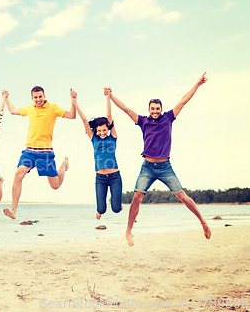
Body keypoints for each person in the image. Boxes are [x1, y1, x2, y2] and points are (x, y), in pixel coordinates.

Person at [108, 72, 211, 246]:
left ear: (160, 109)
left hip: (165, 167)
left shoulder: (169, 118)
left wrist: (197, 84)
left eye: (157, 109)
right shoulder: (142, 121)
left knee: (183, 197)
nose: (155, 111)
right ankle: (128, 231)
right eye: (152, 109)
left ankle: (203, 222)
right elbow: (126, 109)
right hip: (147, 167)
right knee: (137, 197)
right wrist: (110, 96)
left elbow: (183, 101)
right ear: (149, 110)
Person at [3, 86, 76, 219]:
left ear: (44, 96)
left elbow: (72, 115)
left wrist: (73, 100)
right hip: (29, 151)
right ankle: (14, 210)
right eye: (35, 97)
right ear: (32, 98)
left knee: (55, 185)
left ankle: (64, 164)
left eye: (40, 96)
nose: (38, 99)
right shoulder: (30, 109)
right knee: (19, 173)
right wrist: (6, 98)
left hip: (45, 153)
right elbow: (13, 111)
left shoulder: (53, 108)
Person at [73, 87, 122, 220]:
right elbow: (84, 120)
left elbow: (109, 116)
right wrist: (75, 102)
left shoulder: (113, 137)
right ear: (96, 130)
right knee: (101, 209)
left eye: (104, 130)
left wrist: (108, 97)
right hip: (100, 178)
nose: (102, 132)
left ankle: (119, 203)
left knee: (116, 209)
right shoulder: (94, 138)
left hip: (114, 177)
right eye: (99, 130)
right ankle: (100, 210)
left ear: (108, 128)